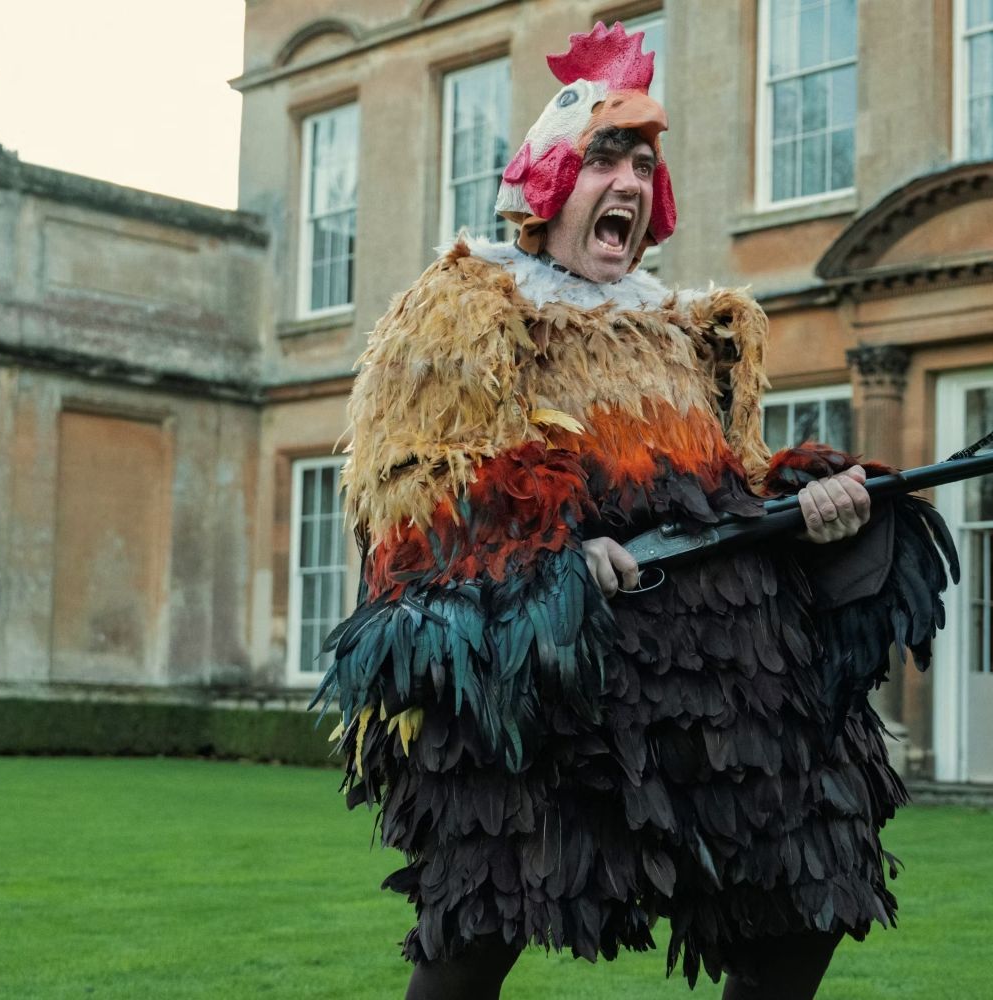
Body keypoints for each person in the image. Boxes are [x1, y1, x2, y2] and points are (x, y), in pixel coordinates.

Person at [316, 22, 955, 999]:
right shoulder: (471, 306)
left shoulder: (695, 330)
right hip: (563, 683)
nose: (623, 179)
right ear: (543, 184)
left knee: (810, 884)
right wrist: (554, 557)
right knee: (478, 921)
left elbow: (732, 477)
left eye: (639, 163)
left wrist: (813, 501)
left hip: (723, 679)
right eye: (599, 158)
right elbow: (415, 485)